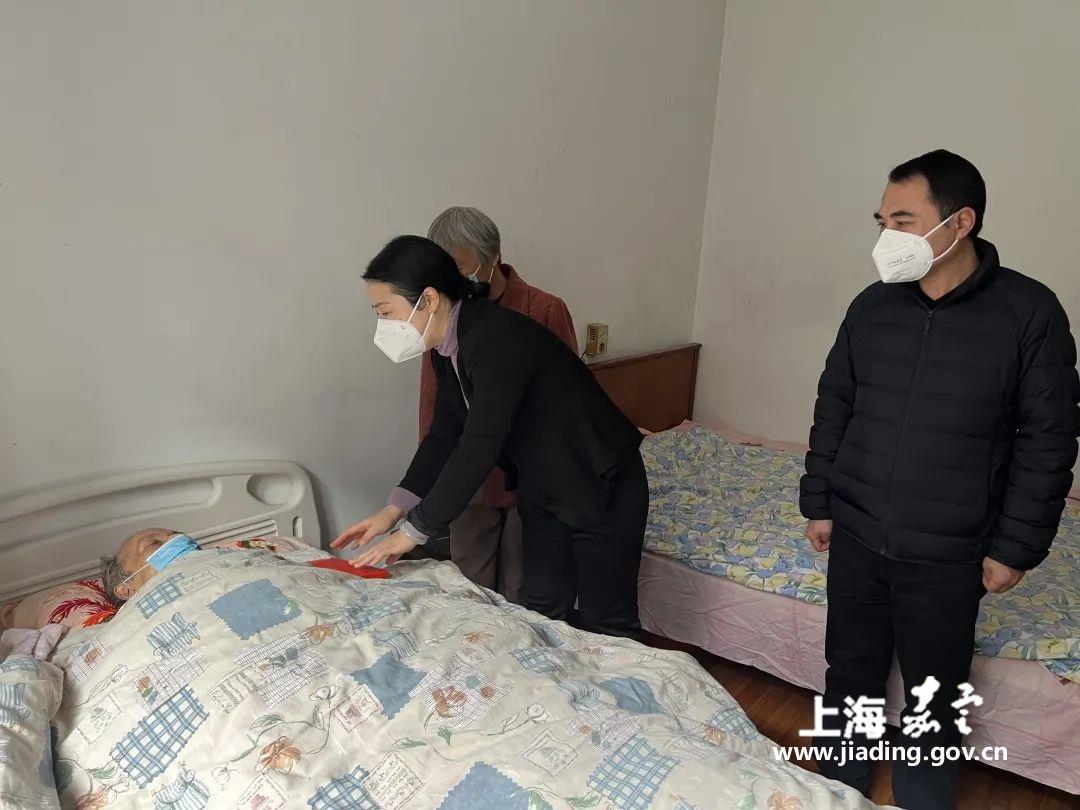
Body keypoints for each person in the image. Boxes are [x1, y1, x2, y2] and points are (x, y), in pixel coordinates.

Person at [800, 149, 1079, 809]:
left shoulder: (1028, 313)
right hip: (859, 534)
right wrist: (820, 501)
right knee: (850, 669)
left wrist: (1015, 548)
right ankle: (838, 783)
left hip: (949, 549)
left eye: (903, 220)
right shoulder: (872, 307)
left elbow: (1049, 439)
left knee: (935, 688)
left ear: (961, 223)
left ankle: (923, 797)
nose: (886, 237)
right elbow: (835, 406)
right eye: (882, 221)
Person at [332, 235, 647, 638]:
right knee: (543, 605)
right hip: (543, 482)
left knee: (608, 617)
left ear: (428, 299)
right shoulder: (447, 348)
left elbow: (479, 445)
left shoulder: (497, 339)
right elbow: (445, 435)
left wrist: (413, 533)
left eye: (386, 312)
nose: (384, 326)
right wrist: (393, 510)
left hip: (601, 480)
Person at [423, 206, 577, 604]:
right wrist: (431, 481)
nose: (450, 279)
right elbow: (435, 405)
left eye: (459, 267)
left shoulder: (544, 310)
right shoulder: (441, 315)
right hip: (469, 470)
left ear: (492, 257)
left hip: (530, 473)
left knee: (522, 582)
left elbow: (568, 400)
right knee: (467, 579)